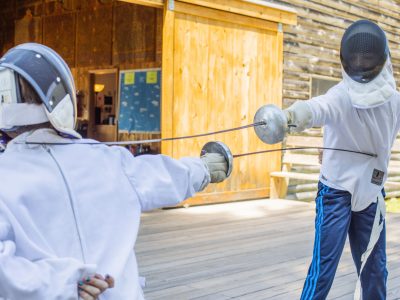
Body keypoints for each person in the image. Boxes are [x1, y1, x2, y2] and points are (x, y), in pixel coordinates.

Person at [0, 43, 229, 299]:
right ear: (62, 100)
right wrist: (207, 167)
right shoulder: (110, 161)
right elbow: (170, 176)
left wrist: (60, 283)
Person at [256, 20, 399, 299]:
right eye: (358, 56)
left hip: (371, 194)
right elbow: (314, 109)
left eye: (366, 56)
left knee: (374, 269)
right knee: (323, 269)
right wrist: (287, 118)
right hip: (336, 192)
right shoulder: (341, 96)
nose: (362, 60)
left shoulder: (394, 101)